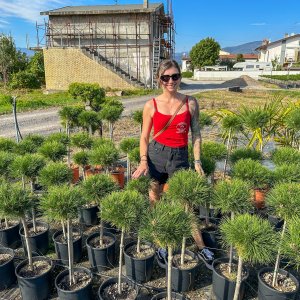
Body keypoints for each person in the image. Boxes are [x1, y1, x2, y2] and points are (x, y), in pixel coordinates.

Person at [132, 59, 214, 268]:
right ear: (159, 80)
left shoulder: (190, 102)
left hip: (179, 157)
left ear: (180, 77)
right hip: (156, 155)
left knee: (185, 204)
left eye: (175, 76)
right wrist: (143, 162)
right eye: (165, 77)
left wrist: (196, 160)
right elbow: (143, 137)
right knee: (154, 201)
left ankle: (201, 245)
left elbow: (196, 134)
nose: (171, 81)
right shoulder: (151, 104)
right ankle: (161, 244)